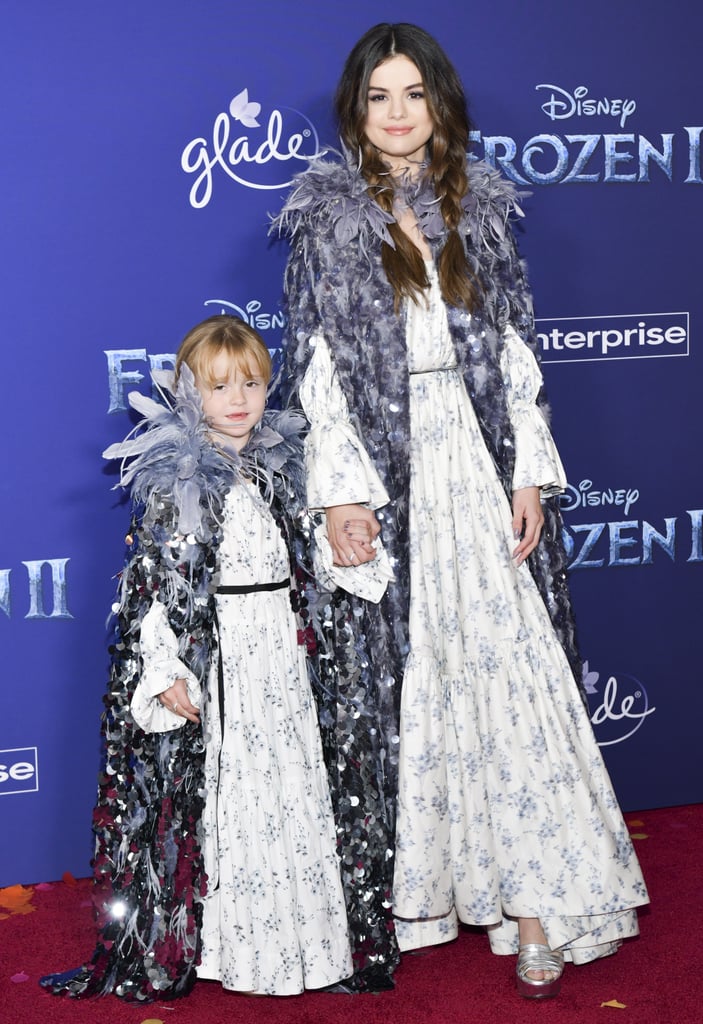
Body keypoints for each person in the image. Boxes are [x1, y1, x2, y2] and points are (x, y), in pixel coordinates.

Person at [273, 22, 649, 998]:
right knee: (417, 689)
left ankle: (535, 901)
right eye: (378, 98)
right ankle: (434, 888)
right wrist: (342, 492)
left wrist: (526, 472)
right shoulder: (328, 223)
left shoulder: (477, 210)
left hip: (474, 465)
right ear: (356, 113)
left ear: (440, 105)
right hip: (390, 474)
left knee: (511, 680)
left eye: (413, 95)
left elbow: (515, 357)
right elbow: (318, 370)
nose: (397, 114)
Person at [41, 315, 352, 1001]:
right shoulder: (173, 480)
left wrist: (345, 551)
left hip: (281, 658)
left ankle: (304, 942)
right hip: (225, 659)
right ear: (188, 393)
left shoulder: (283, 469)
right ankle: (237, 949)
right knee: (233, 799)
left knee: (291, 787)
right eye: (218, 386)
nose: (238, 399)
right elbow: (151, 591)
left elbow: (312, 565)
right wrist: (167, 669)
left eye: (251, 383)